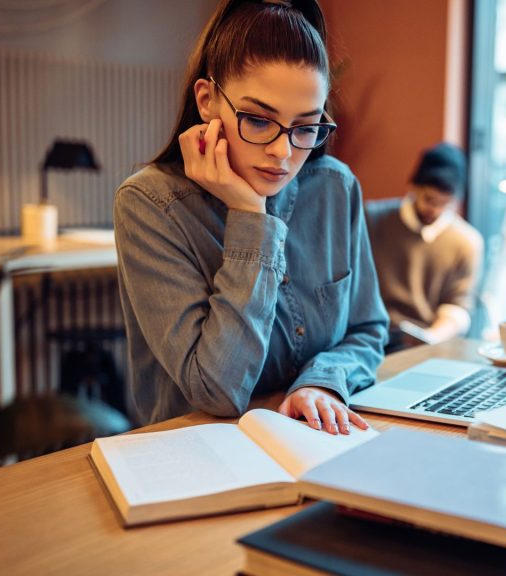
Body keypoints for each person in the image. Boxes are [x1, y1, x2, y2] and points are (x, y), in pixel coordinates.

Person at [113, 0, 388, 433]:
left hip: (316, 440)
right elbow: (217, 391)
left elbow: (368, 329)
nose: (283, 152)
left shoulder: (336, 187)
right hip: (197, 460)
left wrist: (322, 383)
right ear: (207, 100)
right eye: (259, 121)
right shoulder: (150, 203)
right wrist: (249, 217)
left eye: (306, 127)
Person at [365, 143, 483, 353]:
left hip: (429, 345)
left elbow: (457, 306)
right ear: (414, 187)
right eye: (429, 199)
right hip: (371, 340)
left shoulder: (466, 242)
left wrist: (430, 338)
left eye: (445, 203)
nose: (435, 209)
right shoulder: (372, 220)